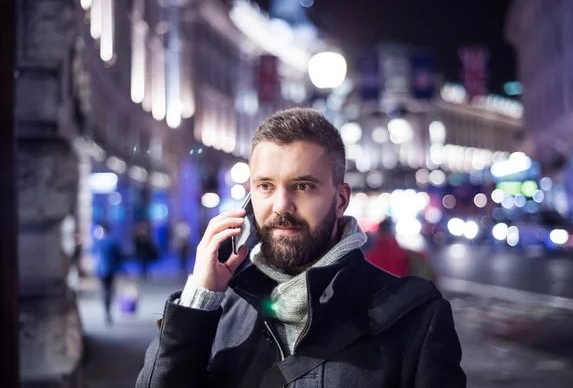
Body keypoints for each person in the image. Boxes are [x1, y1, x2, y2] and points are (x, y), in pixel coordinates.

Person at [137, 108, 466, 387]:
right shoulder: (220, 311)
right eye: (265, 186)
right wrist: (199, 299)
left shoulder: (417, 315)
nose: (282, 206)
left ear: (340, 200)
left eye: (303, 186)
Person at [94, 222, 122, 325]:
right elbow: (118, 257)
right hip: (111, 270)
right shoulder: (112, 242)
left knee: (105, 290)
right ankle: (108, 309)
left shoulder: (98, 242)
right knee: (109, 290)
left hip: (101, 270)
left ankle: (107, 310)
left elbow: (92, 253)